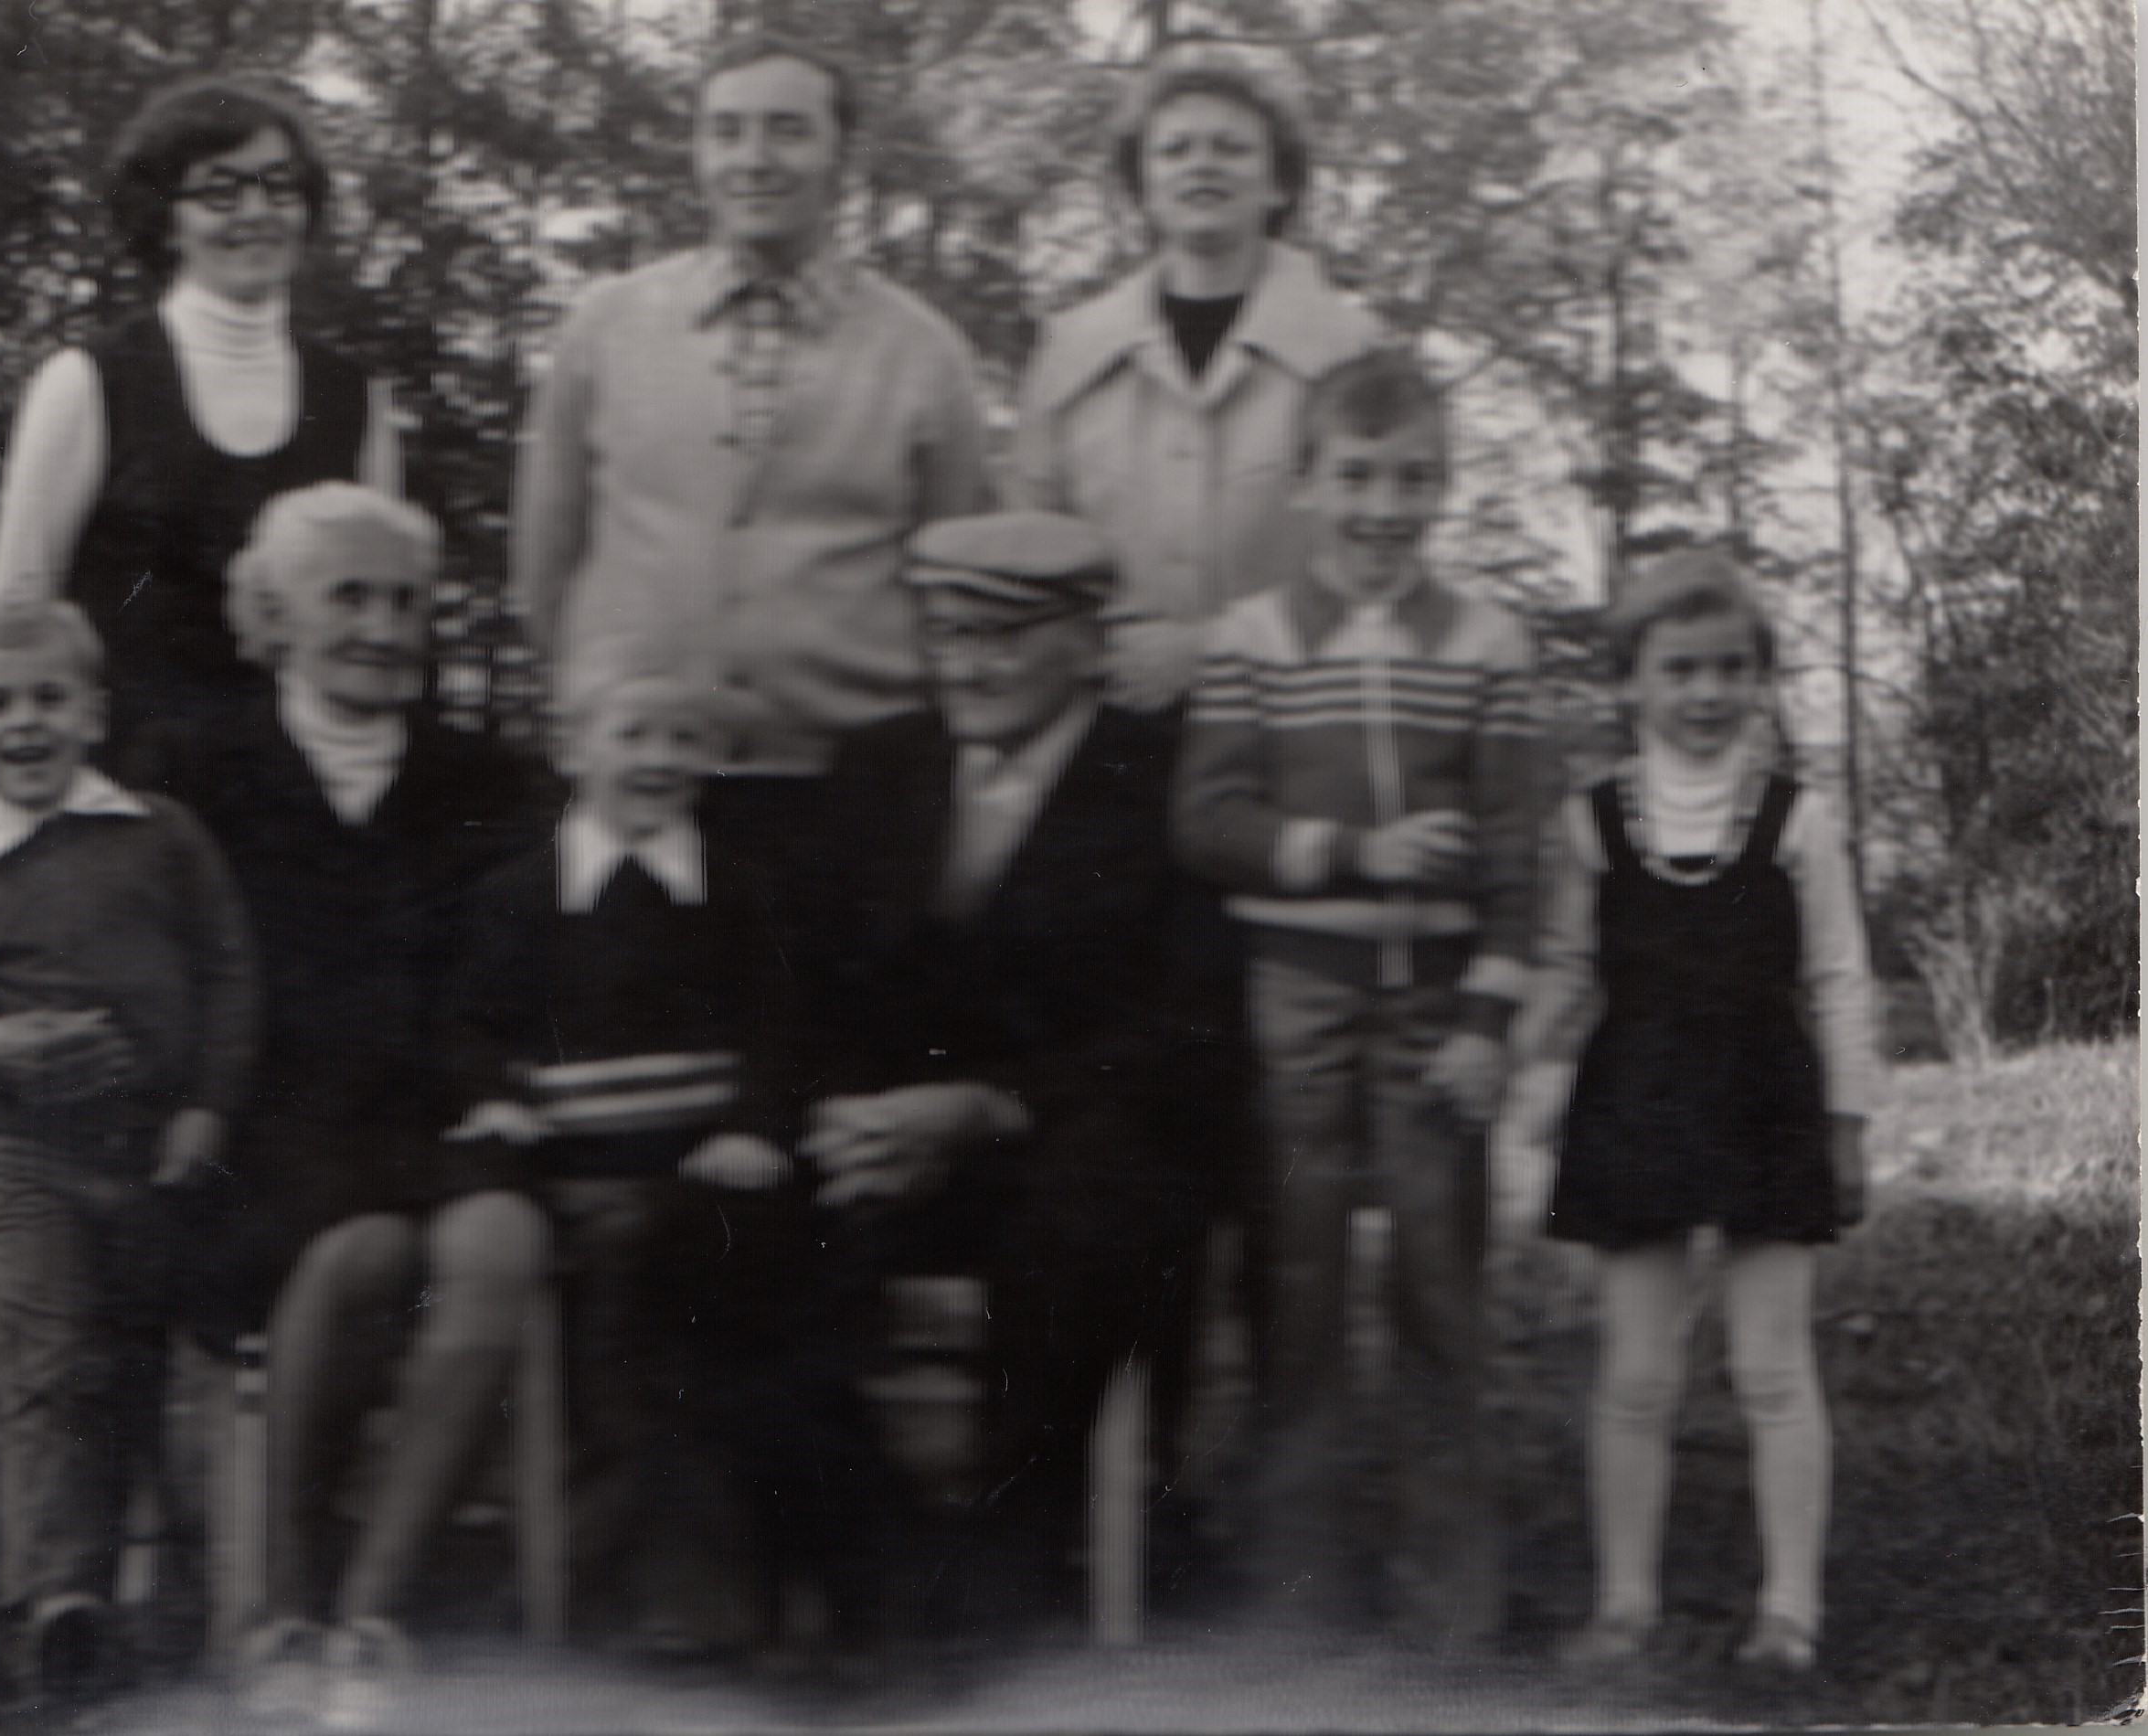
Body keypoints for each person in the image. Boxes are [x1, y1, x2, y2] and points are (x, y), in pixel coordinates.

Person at [113, 484, 541, 1706]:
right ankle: (275, 1605)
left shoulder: (494, 779)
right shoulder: (190, 772)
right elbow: (144, 969)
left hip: (441, 1116)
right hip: (261, 1121)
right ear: (269, 617)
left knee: (501, 1239)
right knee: (357, 1249)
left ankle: (370, 1610)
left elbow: (527, 975)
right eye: (348, 595)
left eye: (406, 600)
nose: (383, 626)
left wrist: (498, 1084)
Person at [1172, 349, 1540, 1645]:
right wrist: (1350, 852)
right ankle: (1298, 1592)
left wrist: (1489, 1022)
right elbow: (1207, 820)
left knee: (1440, 1287)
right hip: (1294, 1003)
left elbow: (1518, 854)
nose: (1384, 507)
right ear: (1305, 483)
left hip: (1437, 1014)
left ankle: (1450, 1597)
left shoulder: (1486, 644)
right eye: (1358, 477)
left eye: (1412, 479)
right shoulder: (1250, 639)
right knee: (1296, 1282)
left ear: (1443, 484)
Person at [798, 511, 1219, 1629]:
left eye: (1000, 637)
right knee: (718, 1226)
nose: (966, 667)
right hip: (889, 1139)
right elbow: (806, 980)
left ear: (1086, 643)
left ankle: (1001, 1571)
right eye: (946, 634)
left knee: (1087, 1217)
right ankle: (844, 1560)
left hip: (1066, 1140)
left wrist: (988, 1106)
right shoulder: (879, 762)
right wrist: (851, 1119)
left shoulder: (1165, 778)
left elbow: (1184, 1025)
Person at [444, 658, 881, 1663]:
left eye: (687, 738)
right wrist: (495, 1100)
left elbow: (779, 1028)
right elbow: (468, 1021)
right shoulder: (519, 892)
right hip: (578, 1173)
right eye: (633, 733)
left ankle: (779, 1584)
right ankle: (641, 1584)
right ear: (570, 750)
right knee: (627, 1327)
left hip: (710, 1174)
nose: (661, 757)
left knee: (755, 1318)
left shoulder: (741, 890)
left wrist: (754, 1127)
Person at [1515, 549, 1880, 1673]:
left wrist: (1848, 1123)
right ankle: (1624, 1603)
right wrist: (1521, 1075)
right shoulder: (1590, 824)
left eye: (1731, 668)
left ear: (1762, 680)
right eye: (1679, 669)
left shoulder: (1797, 820)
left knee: (1771, 1367)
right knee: (1635, 1376)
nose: (1706, 692)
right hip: (1636, 1104)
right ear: (1630, 680)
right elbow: (1564, 969)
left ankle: (1790, 1610)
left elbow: (1839, 979)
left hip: (1766, 1104)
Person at [511, 32, 994, 878]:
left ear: (842, 155)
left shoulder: (924, 354)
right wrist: (599, 699)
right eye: (726, 131)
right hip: (638, 775)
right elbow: (545, 553)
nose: (753, 159)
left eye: (787, 130)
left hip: (843, 784)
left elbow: (961, 586)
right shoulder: (608, 327)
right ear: (696, 151)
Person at [0, 598, 259, 1705]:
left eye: (50, 698)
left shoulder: (163, 836)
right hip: (34, 1166)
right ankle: (62, 1595)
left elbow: (228, 971)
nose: (26, 722)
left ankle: (160, 1551)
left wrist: (207, 1110)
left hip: (160, 1153)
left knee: (141, 1357)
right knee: (53, 1366)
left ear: (94, 712)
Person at [0, 78, 401, 748]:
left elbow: (383, 624)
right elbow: (12, 627)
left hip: (301, 785)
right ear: (165, 219)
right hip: (126, 783)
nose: (256, 211)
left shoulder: (355, 398)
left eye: (280, 186)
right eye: (219, 191)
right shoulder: (87, 383)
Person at [1015, 57, 1381, 714]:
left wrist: (1212, 649)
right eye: (1175, 149)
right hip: (1105, 716)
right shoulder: (1071, 350)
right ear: (1143, 188)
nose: (1201, 164)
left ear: (1278, 184)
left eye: (1231, 148)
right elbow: (1029, 553)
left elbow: (1376, 555)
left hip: (1297, 716)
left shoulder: (1351, 352)